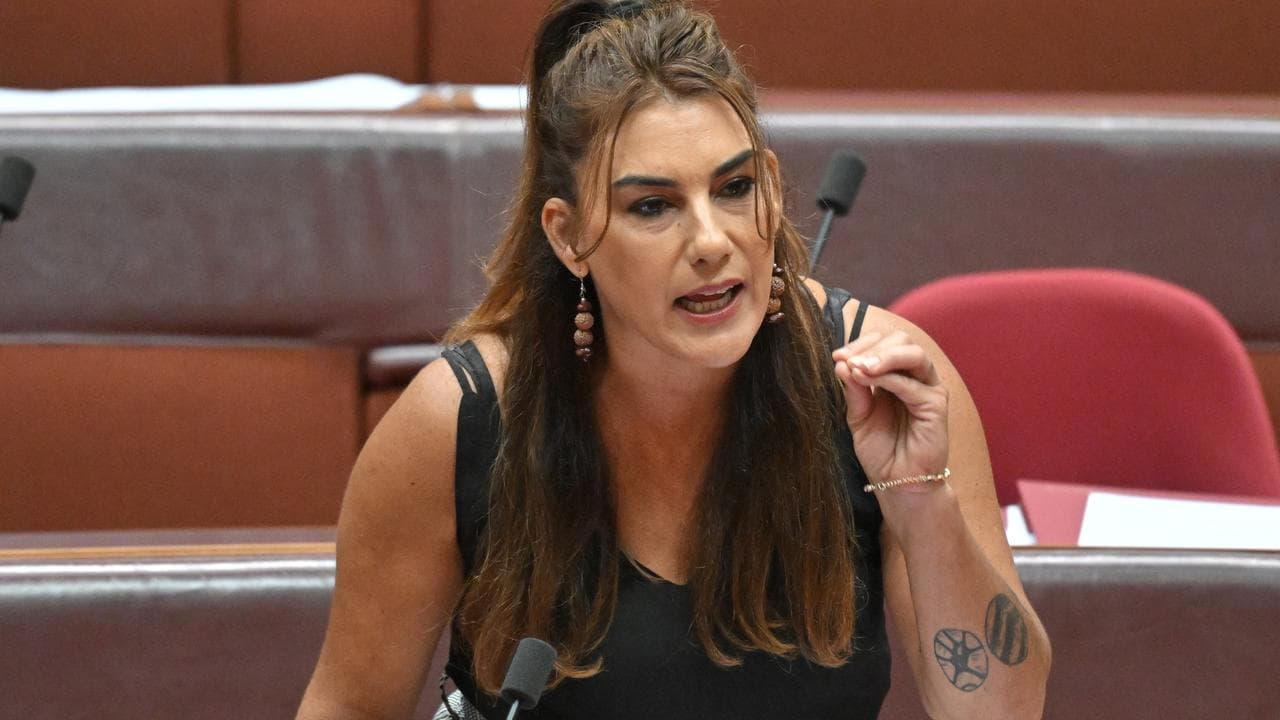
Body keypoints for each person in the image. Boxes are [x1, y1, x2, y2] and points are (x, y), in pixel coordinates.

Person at [296, 1, 1050, 718]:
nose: (712, 241)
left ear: (771, 187)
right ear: (568, 236)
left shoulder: (885, 387)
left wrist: (920, 501)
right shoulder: (460, 421)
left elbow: (1004, 710)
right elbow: (350, 707)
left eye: (735, 188)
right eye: (652, 206)